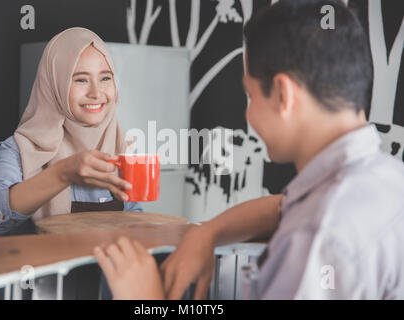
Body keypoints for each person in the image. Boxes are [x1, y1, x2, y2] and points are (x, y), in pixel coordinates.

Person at [94, 0, 404, 299]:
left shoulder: (317, 235)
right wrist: (206, 233)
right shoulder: (383, 179)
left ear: (283, 94)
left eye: (250, 95)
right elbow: (281, 207)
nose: (248, 114)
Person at [0, 27, 142, 238]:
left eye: (105, 78)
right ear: (53, 86)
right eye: (81, 79)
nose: (96, 93)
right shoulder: (19, 149)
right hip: (47, 270)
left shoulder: (124, 146)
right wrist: (63, 173)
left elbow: (134, 217)